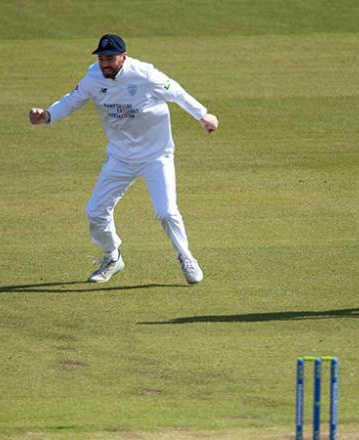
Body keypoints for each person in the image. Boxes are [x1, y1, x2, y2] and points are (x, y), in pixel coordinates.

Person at [29, 34, 218, 284]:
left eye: (110, 58)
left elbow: (176, 92)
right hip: (120, 157)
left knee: (165, 212)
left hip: (156, 155)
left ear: (123, 57)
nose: (105, 63)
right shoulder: (93, 77)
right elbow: (71, 101)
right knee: (95, 212)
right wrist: (47, 115)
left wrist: (203, 115)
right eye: (101, 58)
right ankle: (113, 257)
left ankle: (186, 257)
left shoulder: (145, 74)